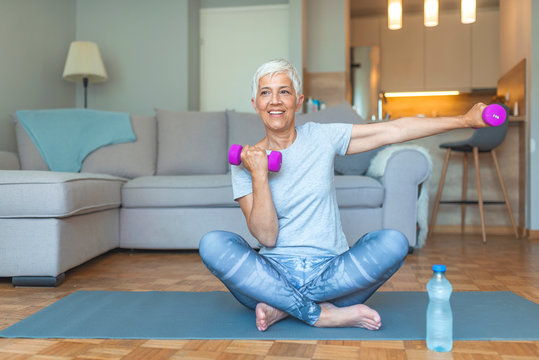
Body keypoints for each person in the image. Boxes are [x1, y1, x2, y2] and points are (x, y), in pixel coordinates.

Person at [199, 59, 489, 332]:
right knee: (212, 243)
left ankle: (284, 307)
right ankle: (320, 314)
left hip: (331, 274)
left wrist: (463, 120)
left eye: (284, 92)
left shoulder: (322, 137)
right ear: (255, 103)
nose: (275, 100)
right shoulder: (245, 163)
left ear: (298, 100)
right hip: (271, 274)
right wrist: (259, 174)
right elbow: (267, 237)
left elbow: (395, 130)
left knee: (394, 242)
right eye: (266, 93)